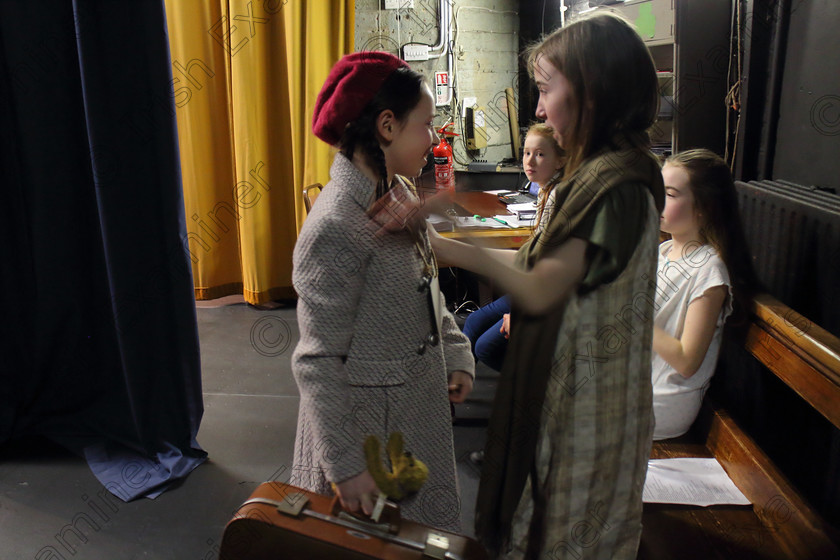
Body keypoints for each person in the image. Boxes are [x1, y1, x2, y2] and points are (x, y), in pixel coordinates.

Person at [406, 12, 665, 558]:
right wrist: (434, 240)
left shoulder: (618, 187)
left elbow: (541, 287)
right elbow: (530, 261)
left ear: (592, 91)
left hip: (590, 404)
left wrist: (446, 225)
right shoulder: (589, 176)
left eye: (548, 89)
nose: (541, 108)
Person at [290, 51, 474, 533]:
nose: (434, 139)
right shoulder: (334, 225)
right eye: (427, 124)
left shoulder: (397, 193)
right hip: (367, 437)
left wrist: (455, 350)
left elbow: (426, 281)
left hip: (411, 415)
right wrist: (346, 464)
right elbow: (316, 359)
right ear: (387, 126)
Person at [652, 149, 759, 440]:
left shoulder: (709, 271)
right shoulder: (663, 251)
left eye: (671, 194)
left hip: (662, 403)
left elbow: (687, 361)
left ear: (705, 206)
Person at [462, 123, 565, 372]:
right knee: (473, 324)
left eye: (540, 154)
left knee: (486, 347)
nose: (530, 161)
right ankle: (456, 390)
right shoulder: (544, 192)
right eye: (527, 153)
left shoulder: (559, 197)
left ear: (560, 161)